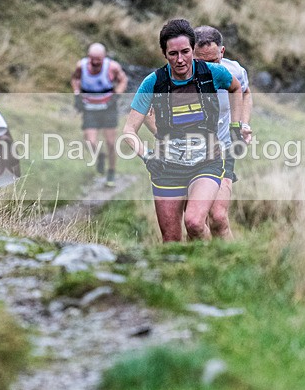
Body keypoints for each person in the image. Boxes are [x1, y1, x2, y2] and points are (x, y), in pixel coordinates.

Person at [123, 19, 250, 242]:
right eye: (173, 53)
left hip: (208, 161)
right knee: (171, 239)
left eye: (185, 52)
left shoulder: (214, 73)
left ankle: (216, 265)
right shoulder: (154, 83)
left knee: (196, 221)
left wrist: (236, 127)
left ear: (193, 49)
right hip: (167, 167)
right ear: (164, 54)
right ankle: (189, 271)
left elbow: (238, 88)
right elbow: (129, 130)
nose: (180, 59)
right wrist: (149, 155)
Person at [193, 25, 253, 240]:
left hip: (224, 148)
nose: (208, 68)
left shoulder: (234, 71)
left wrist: (243, 124)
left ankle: (232, 262)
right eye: (201, 62)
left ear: (222, 52)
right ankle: (203, 265)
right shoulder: (179, 75)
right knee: (196, 221)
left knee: (218, 216)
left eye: (213, 61)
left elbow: (245, 94)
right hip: (190, 152)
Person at [71, 42, 128, 188]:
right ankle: (100, 156)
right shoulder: (81, 66)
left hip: (108, 108)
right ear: (88, 56)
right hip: (89, 108)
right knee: (90, 141)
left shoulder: (112, 67)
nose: (95, 62)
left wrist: (116, 95)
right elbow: (75, 79)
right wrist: (77, 94)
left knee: (110, 143)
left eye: (99, 59)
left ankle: (111, 172)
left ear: (104, 57)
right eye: (93, 59)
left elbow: (123, 80)